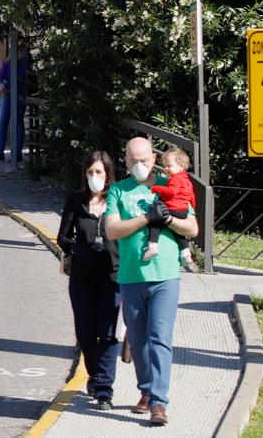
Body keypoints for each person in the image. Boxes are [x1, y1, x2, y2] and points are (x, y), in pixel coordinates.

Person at [104, 137, 198, 425]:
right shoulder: (118, 191)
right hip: (131, 276)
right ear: (126, 161)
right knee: (139, 339)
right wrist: (146, 217)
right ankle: (146, 390)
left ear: (154, 160)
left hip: (165, 275)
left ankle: (159, 401)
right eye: (133, 161)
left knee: (160, 339)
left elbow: (192, 228)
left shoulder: (172, 184)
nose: (139, 166)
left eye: (144, 160)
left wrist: (168, 220)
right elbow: (112, 230)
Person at [57, 151, 121, 410]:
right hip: (82, 276)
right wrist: (75, 249)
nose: (95, 177)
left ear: (108, 176)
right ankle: (94, 375)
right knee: (85, 333)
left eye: (99, 172)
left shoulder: (117, 201)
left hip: (111, 276)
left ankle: (104, 389)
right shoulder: (76, 200)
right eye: (90, 172)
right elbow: (63, 236)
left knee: (107, 335)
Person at [144, 148, 196, 269]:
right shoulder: (187, 180)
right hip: (183, 211)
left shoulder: (175, 178)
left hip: (172, 208)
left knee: (154, 223)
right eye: (165, 166)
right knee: (178, 232)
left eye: (169, 166)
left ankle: (152, 246)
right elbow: (192, 197)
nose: (166, 169)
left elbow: (171, 192)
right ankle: (185, 253)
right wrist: (191, 208)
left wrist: (156, 189)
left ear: (181, 166)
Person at [0, 37, 29, 163]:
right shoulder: (10, 58)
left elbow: (19, 75)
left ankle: (17, 153)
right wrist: (1, 84)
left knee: (17, 123)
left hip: (18, 93)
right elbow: (1, 73)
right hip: (7, 94)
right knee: (2, 122)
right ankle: (0, 152)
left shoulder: (25, 58)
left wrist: (6, 85)